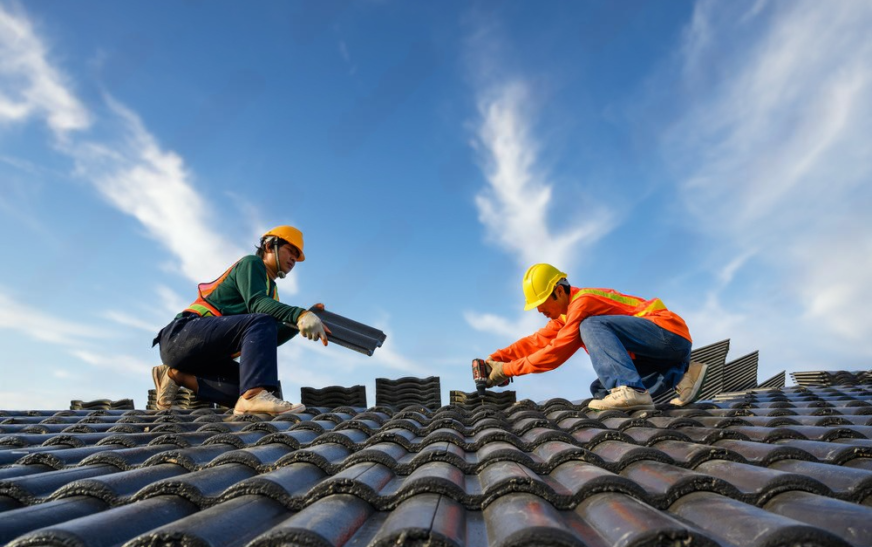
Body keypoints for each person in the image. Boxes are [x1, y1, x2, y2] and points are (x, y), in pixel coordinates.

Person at [151, 225, 331, 415]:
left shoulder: (272, 292)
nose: (294, 259)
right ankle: (253, 396)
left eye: (297, 255)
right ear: (270, 246)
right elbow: (258, 305)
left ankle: (175, 374)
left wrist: (297, 325)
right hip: (180, 336)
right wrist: (300, 314)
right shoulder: (252, 264)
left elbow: (268, 338)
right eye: (290, 251)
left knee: (267, 387)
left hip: (205, 358)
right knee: (262, 323)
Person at [484, 263, 707, 411]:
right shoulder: (566, 316)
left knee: (590, 326)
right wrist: (497, 358)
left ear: (559, 291)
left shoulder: (584, 303)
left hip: (668, 332)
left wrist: (507, 370)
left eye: (540, 303)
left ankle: (632, 390)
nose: (539, 310)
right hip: (658, 352)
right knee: (600, 390)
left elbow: (556, 352)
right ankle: (681, 375)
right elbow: (536, 342)